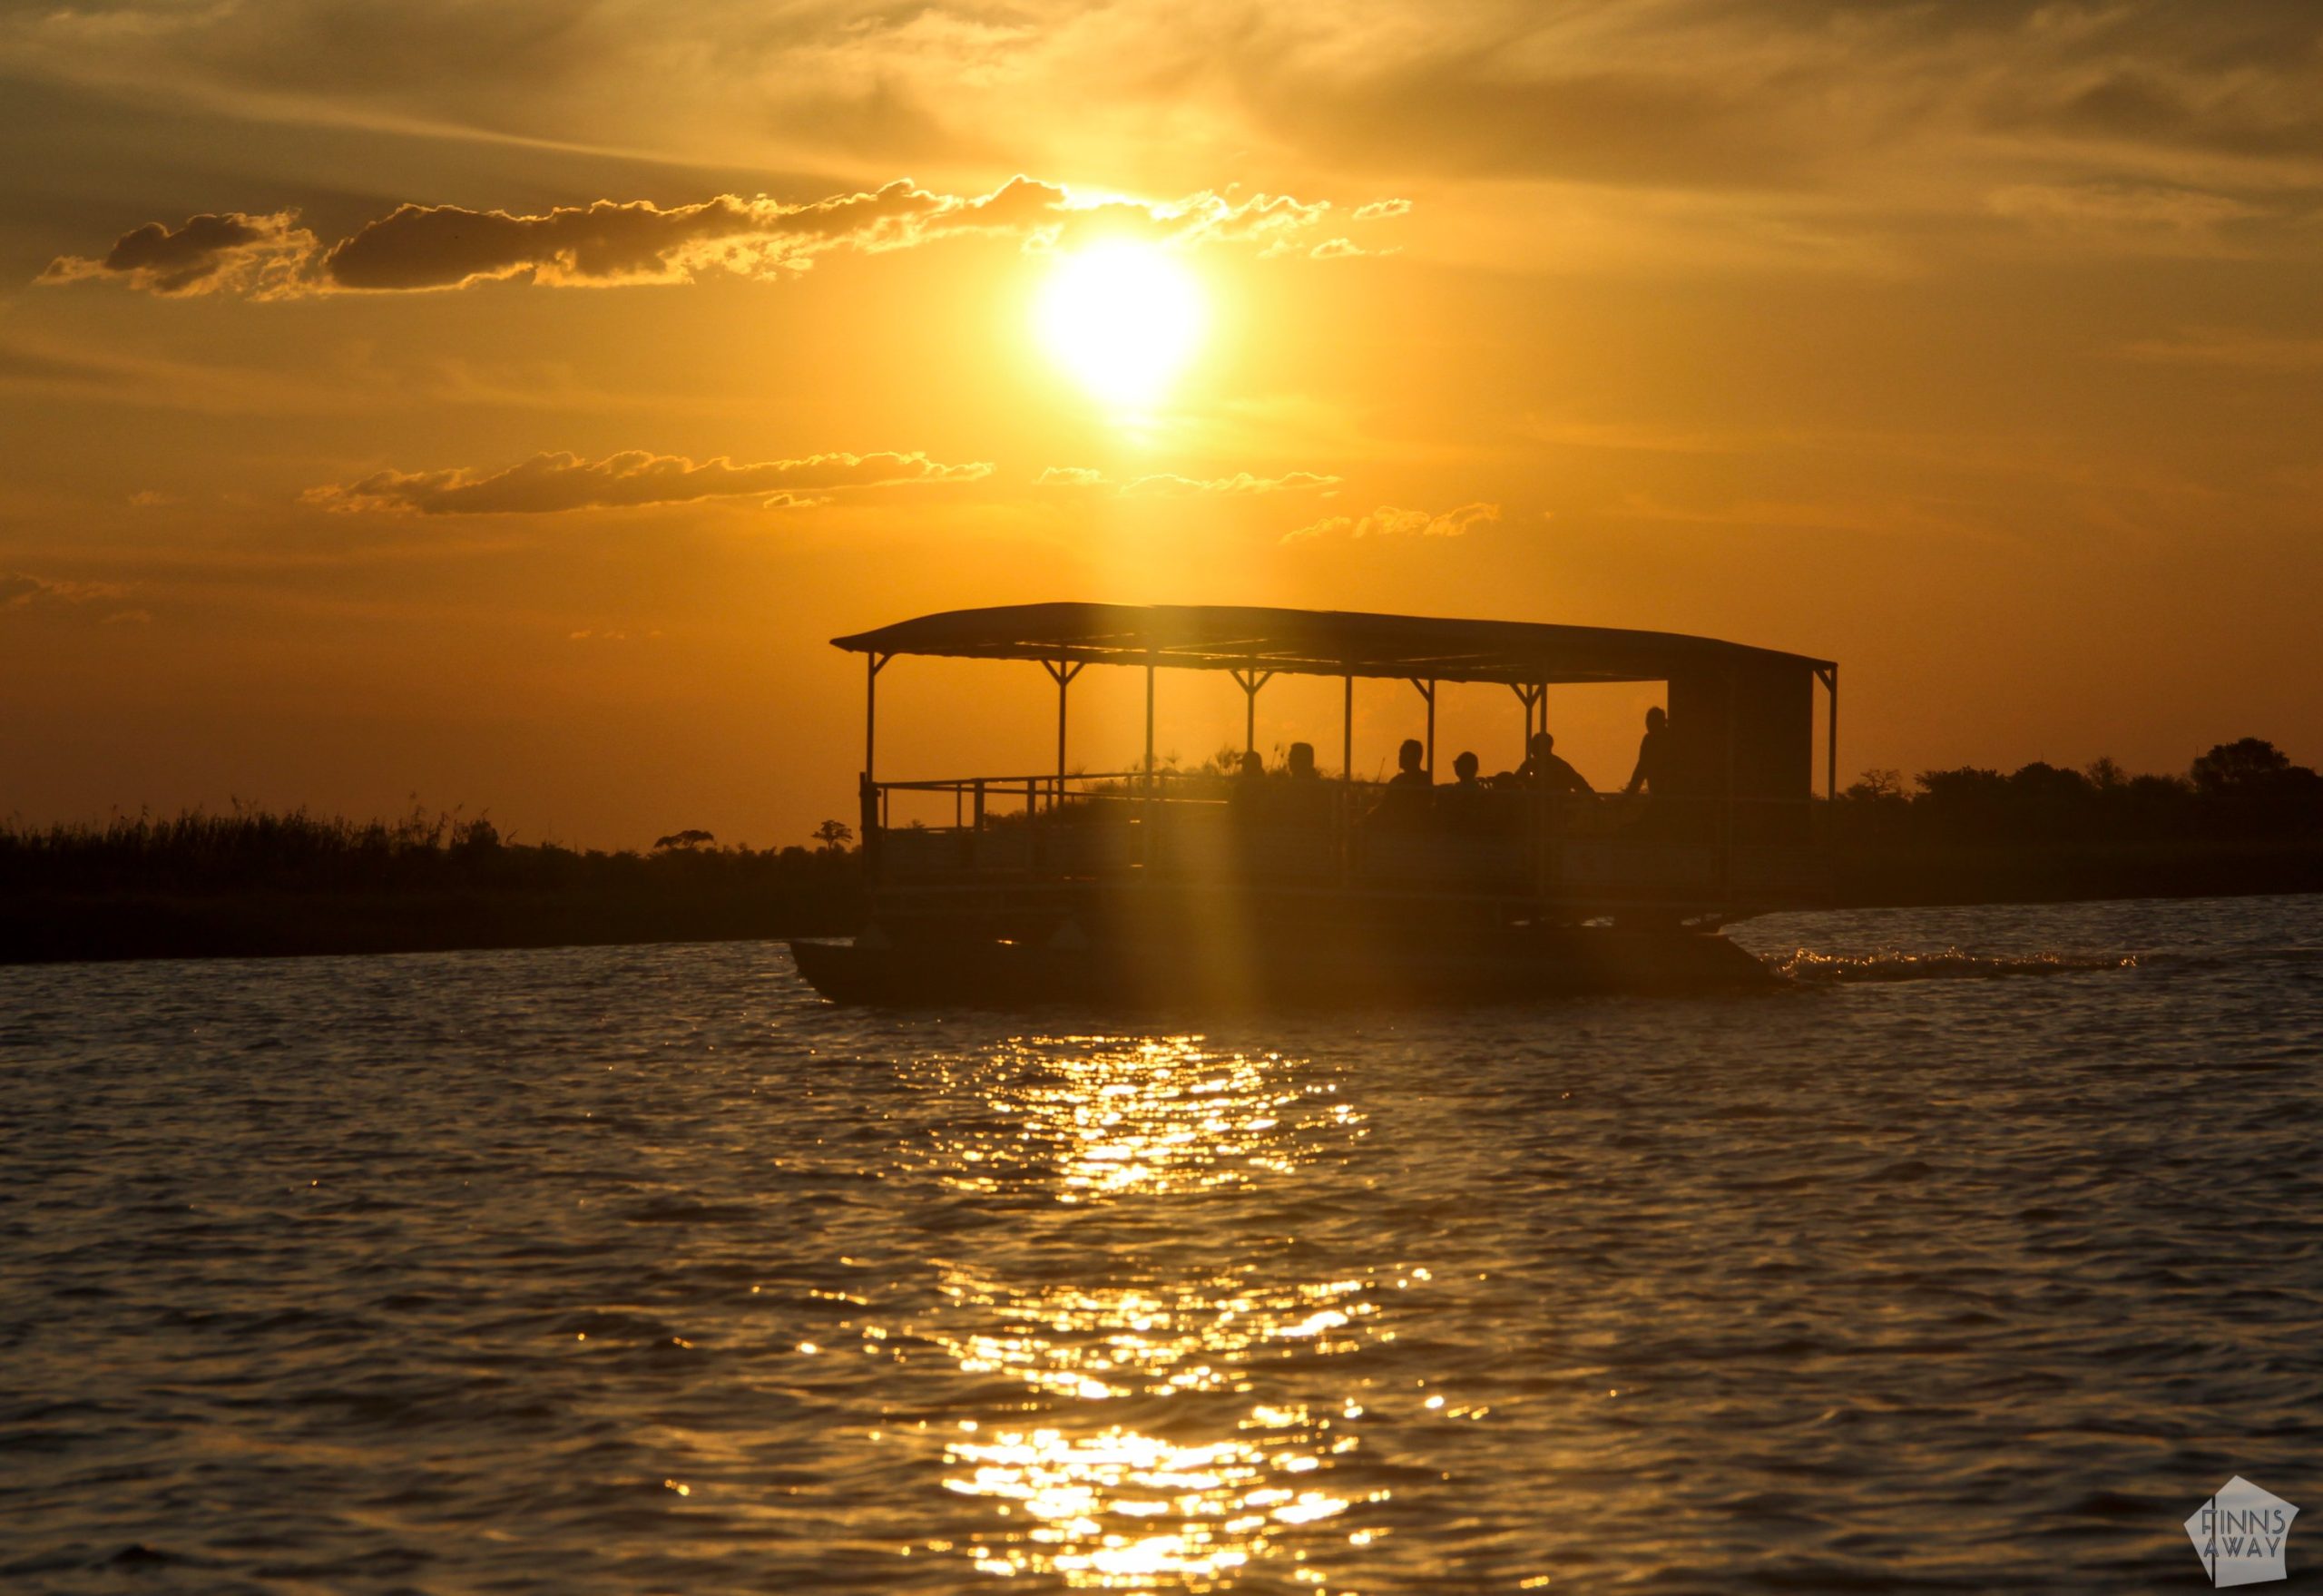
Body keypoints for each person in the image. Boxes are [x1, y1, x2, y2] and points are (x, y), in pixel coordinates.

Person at [1370, 738, 1433, 827]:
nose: (1400, 757)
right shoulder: (1425, 779)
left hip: (1399, 828)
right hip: (1416, 827)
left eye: (1403, 753)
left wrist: (1365, 820)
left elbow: (1384, 807)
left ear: (1413, 757)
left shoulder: (1399, 781)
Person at [1514, 730, 1593, 798]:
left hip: (1553, 808)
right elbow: (1515, 780)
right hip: (1535, 807)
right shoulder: (1529, 765)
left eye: (1534, 745)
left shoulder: (1559, 766)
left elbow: (1580, 784)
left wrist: (1596, 801)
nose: (1531, 748)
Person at [1623, 707, 1671, 798]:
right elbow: (1641, 768)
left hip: (1667, 793)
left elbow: (1641, 768)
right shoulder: (1649, 740)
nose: (1648, 725)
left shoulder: (1664, 740)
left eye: (1651, 722)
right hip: (1657, 793)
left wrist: (1629, 794)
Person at [1435, 749, 1488, 831]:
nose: (1456, 768)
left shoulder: (1456, 791)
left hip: (1459, 829)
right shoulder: (1479, 790)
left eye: (1458, 765)